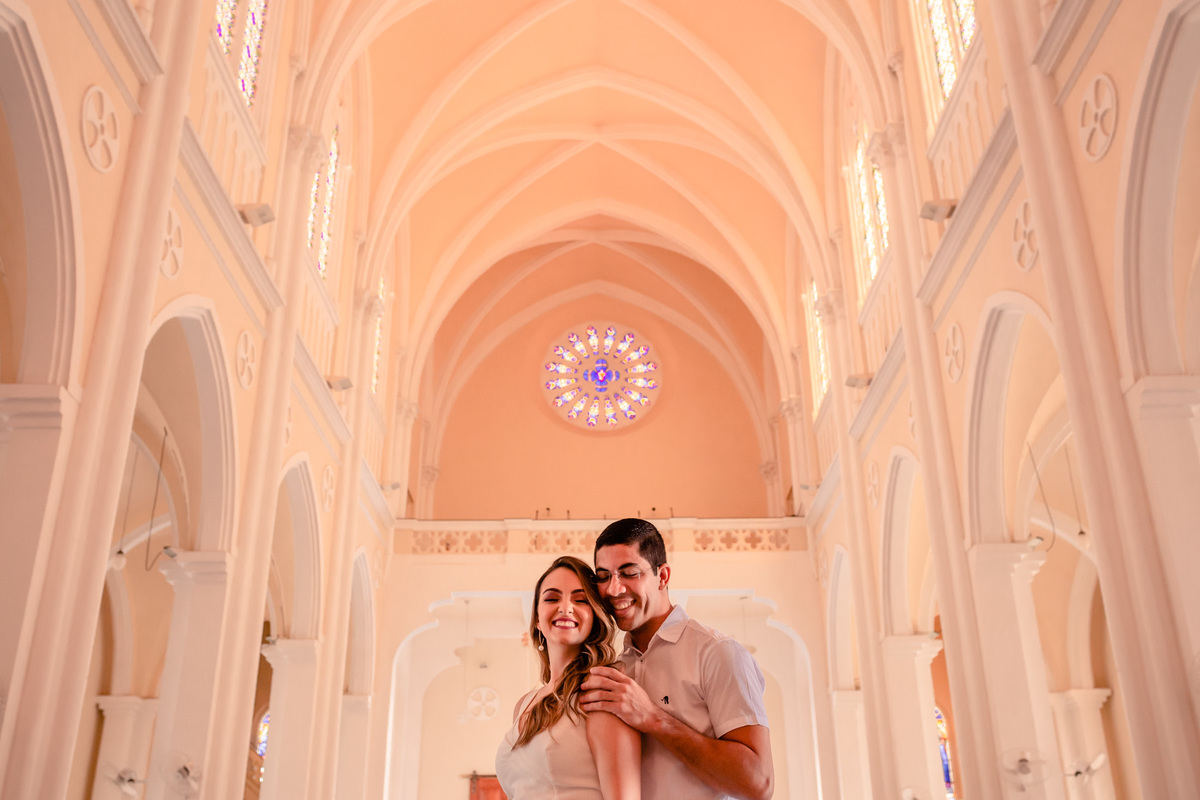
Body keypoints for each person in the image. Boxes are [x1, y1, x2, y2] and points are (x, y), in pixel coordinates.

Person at [579, 519, 773, 800]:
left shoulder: (717, 653)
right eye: (603, 576)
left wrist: (652, 717)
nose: (613, 589)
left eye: (629, 573)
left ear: (663, 576)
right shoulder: (615, 670)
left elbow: (758, 783)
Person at [496, 556, 641, 799]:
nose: (565, 607)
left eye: (580, 600)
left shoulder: (603, 695)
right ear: (537, 620)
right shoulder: (524, 704)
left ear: (594, 618)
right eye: (552, 598)